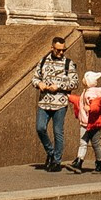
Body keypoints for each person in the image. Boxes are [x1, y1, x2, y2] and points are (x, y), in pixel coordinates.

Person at [30, 36, 77, 172]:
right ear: (52, 48)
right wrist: (40, 84)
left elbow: (74, 82)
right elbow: (34, 78)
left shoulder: (69, 63)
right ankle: (50, 152)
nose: (61, 53)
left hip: (60, 103)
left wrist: (59, 86)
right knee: (40, 128)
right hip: (44, 102)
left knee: (58, 132)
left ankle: (56, 160)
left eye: (63, 50)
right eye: (58, 50)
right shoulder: (43, 61)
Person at [67, 68, 101, 173]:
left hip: (93, 124)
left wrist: (91, 108)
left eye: (84, 78)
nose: (82, 80)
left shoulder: (91, 94)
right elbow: (79, 100)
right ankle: (79, 161)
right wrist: (70, 97)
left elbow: (96, 105)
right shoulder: (87, 92)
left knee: (94, 144)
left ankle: (98, 163)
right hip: (85, 123)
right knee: (85, 143)